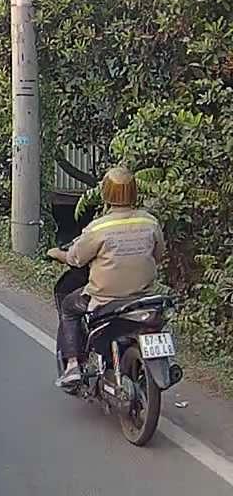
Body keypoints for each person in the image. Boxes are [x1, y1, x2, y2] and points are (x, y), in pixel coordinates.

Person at [47, 166, 164, 388]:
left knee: (69, 308)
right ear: (134, 191)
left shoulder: (99, 227)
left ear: (106, 193)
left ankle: (72, 365)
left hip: (105, 298)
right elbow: (158, 255)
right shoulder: (150, 222)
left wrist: (57, 253)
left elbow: (76, 259)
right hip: (143, 297)